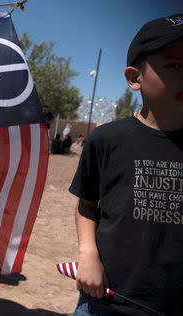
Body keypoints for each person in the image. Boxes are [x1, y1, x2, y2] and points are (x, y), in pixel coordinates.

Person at [70, 14, 183, 316]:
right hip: (106, 301)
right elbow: (86, 205)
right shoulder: (107, 139)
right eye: (174, 65)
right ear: (135, 78)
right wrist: (88, 254)